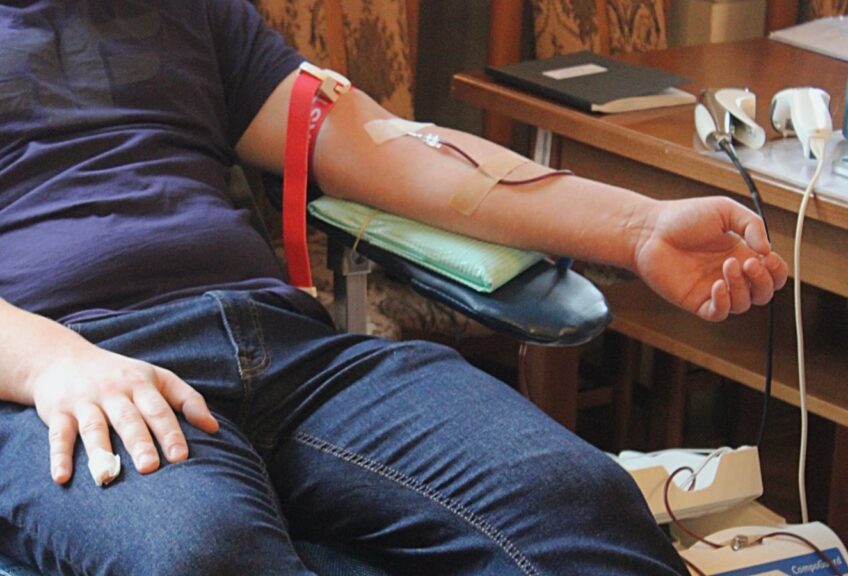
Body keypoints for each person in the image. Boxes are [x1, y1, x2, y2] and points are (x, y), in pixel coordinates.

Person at [0, 1, 788, 574]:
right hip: (79, 374)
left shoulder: (193, 13)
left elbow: (390, 151)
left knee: (578, 499)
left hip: (289, 353)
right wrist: (56, 364)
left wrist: (640, 228)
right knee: (205, 552)